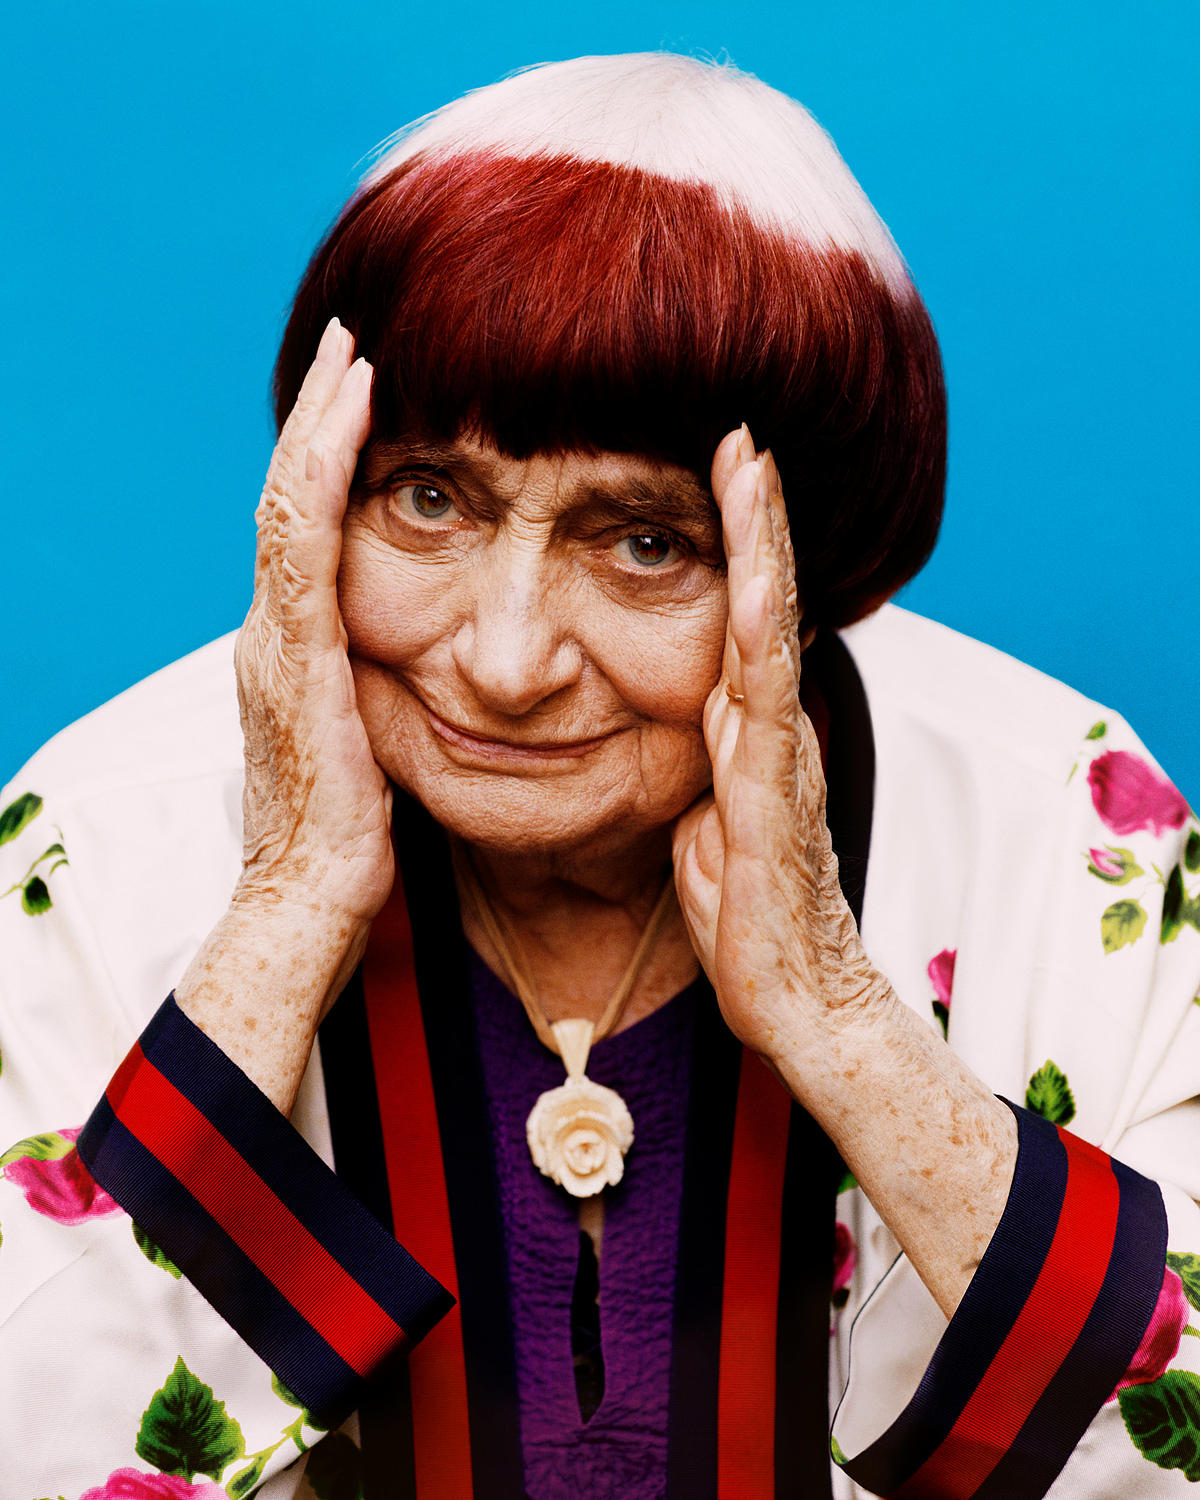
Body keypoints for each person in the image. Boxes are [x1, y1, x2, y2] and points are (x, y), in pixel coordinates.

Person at [1, 52, 1197, 1500]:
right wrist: (287, 908)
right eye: (429, 498)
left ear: (810, 566)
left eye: (643, 542)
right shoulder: (97, 831)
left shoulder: (1062, 826)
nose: (506, 661)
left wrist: (840, 1023)